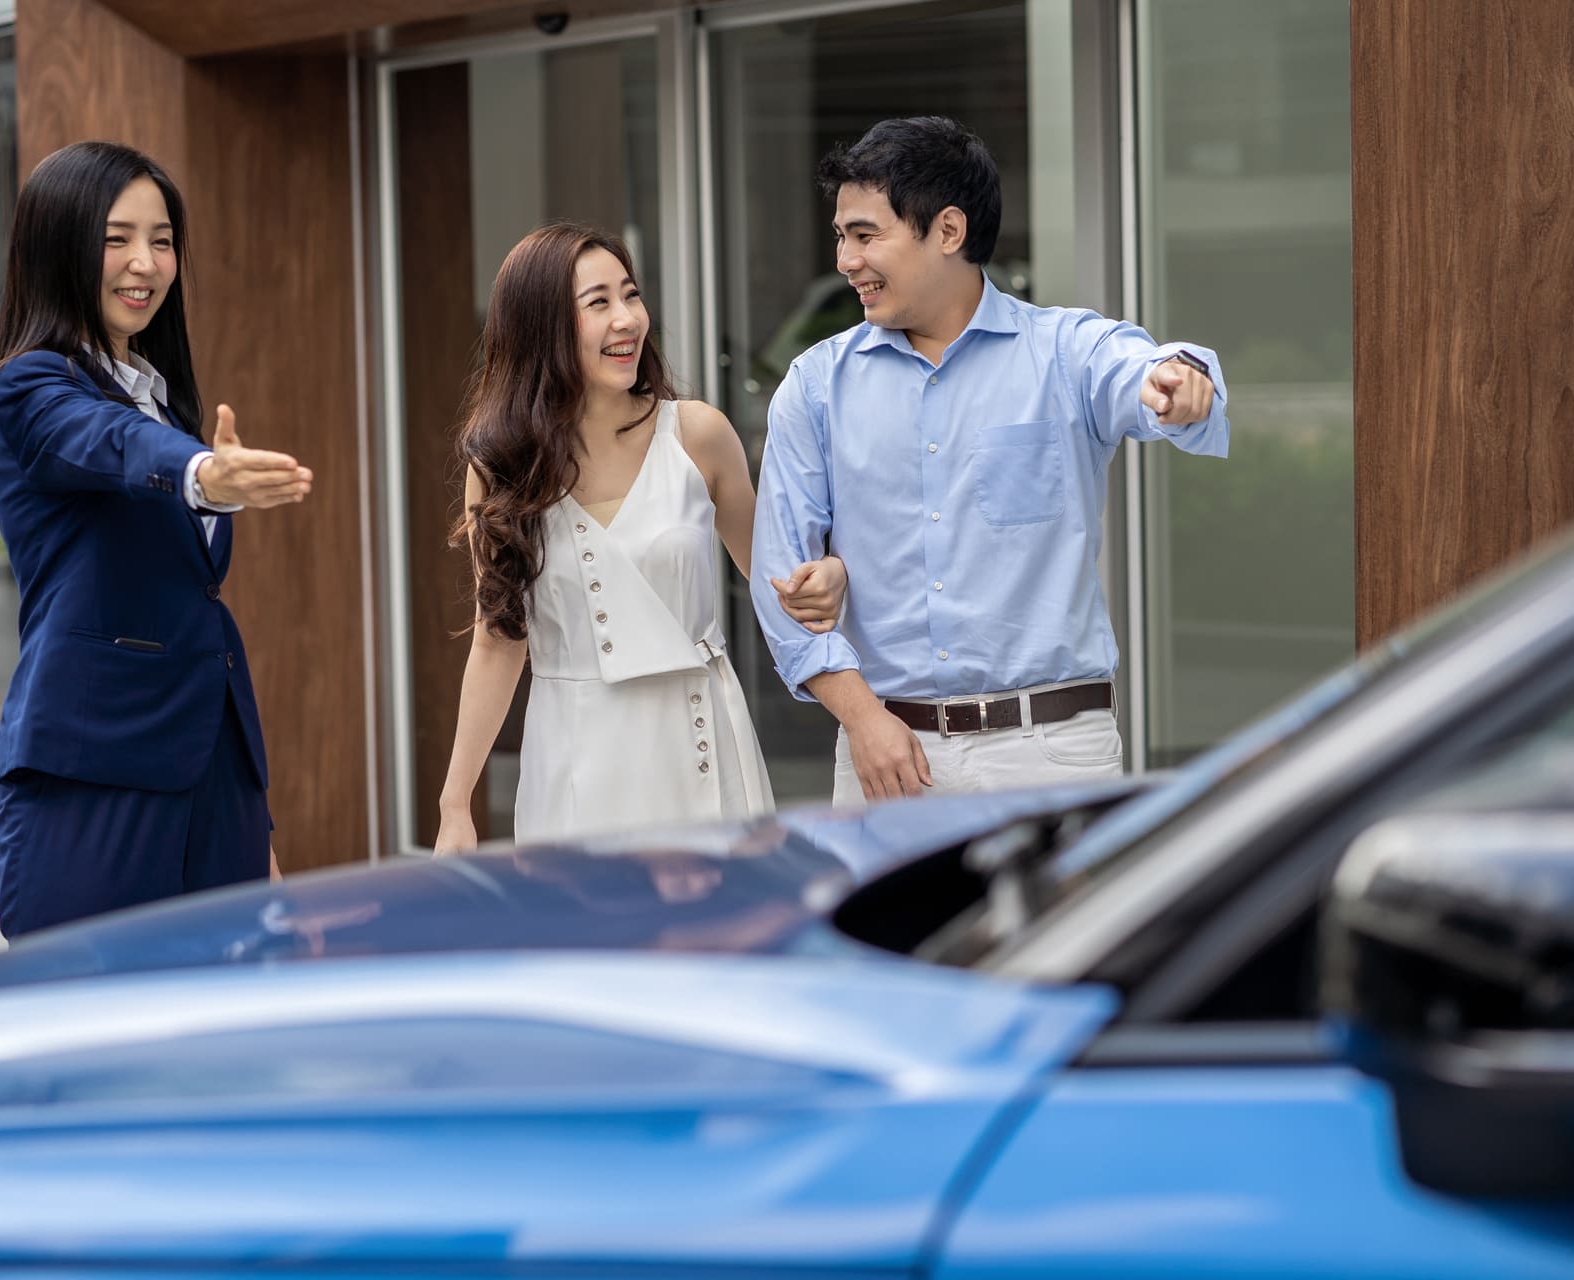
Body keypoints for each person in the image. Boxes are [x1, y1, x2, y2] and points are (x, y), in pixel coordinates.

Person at [751, 116, 1229, 806]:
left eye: (865, 235)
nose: (845, 260)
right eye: (840, 236)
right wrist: (862, 720)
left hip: (1053, 753)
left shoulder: (1064, 353)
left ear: (948, 231)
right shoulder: (815, 385)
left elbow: (1142, 366)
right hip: (885, 753)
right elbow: (782, 580)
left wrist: (1177, 380)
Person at [0, 140, 313, 939]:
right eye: (117, 237)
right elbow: (110, 446)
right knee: (87, 1023)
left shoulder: (161, 399)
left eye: (161, 240)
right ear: (61, 245)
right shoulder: (33, 384)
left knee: (220, 1025)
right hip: (96, 771)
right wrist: (202, 473)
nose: (146, 263)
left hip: (211, 771)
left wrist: (248, 821)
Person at [434, 223, 845, 853]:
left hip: (699, 740)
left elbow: (781, 583)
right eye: (598, 303)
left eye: (631, 295)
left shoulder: (697, 435)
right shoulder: (501, 471)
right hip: (572, 764)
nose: (628, 319)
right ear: (541, 326)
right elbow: (498, 642)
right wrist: (456, 802)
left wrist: (828, 576)